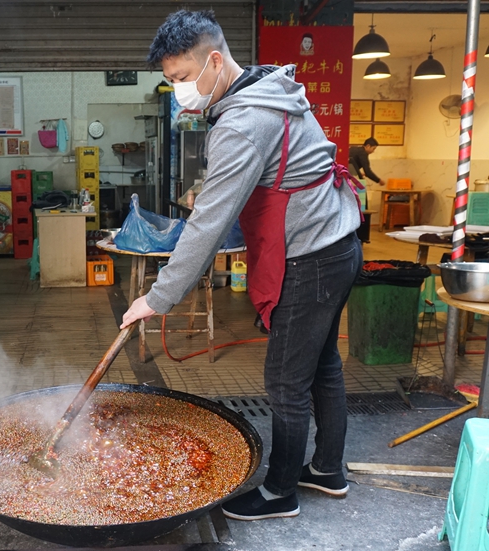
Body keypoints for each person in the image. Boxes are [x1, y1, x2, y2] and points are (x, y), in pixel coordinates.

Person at [120, 10, 363, 521]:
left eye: (182, 79)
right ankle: (327, 471)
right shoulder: (270, 87)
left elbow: (207, 224)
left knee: (284, 382)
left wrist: (157, 297)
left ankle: (280, 493)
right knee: (321, 366)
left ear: (213, 60)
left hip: (313, 257)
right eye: (170, 83)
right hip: (339, 242)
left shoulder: (245, 122)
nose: (180, 92)